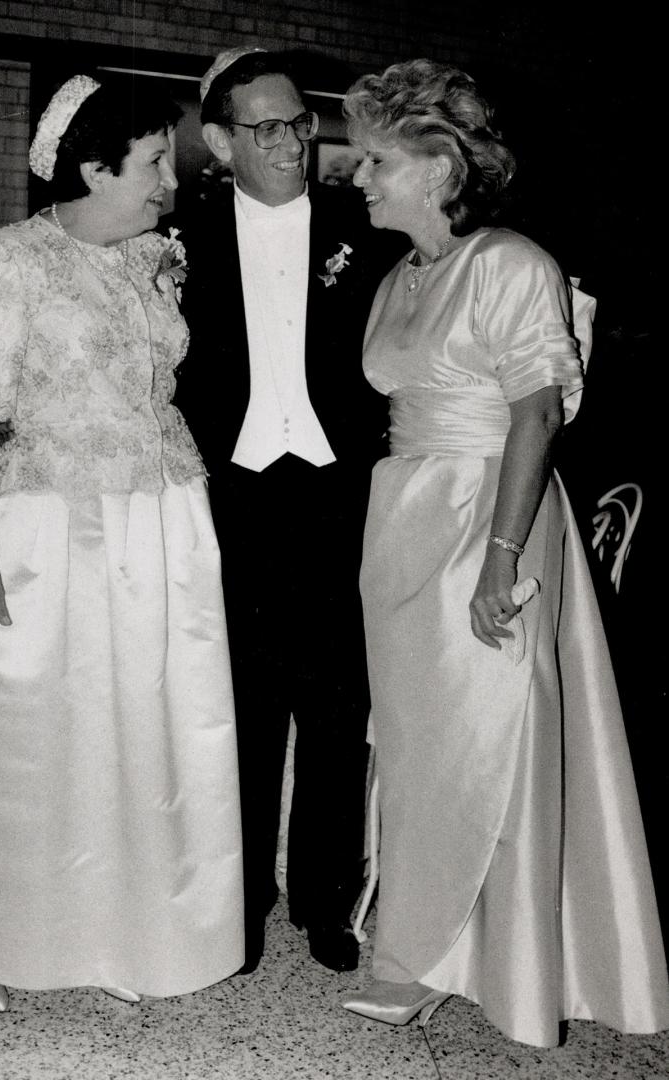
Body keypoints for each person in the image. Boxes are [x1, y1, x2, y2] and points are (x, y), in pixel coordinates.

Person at [340, 58, 669, 1046]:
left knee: (493, 741)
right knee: (419, 748)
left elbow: (534, 414)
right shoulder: (401, 275)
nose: (357, 177)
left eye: (375, 160)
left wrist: (499, 555)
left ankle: (492, 965)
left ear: (439, 168)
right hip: (402, 527)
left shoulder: (509, 263)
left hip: (492, 518)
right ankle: (425, 949)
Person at [0, 74, 244, 1012]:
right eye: (154, 161)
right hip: (51, 520)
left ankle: (134, 937)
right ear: (94, 164)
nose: (170, 179)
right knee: (35, 733)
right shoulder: (1, 261)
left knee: (152, 729)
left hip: (163, 514)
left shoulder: (158, 258)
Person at [172, 47, 400, 975]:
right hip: (231, 494)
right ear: (221, 140)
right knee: (246, 707)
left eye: (298, 122)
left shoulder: (364, 227)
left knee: (339, 706)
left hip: (339, 492)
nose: (289, 143)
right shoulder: (177, 240)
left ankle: (323, 902)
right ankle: (242, 902)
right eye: (263, 127)